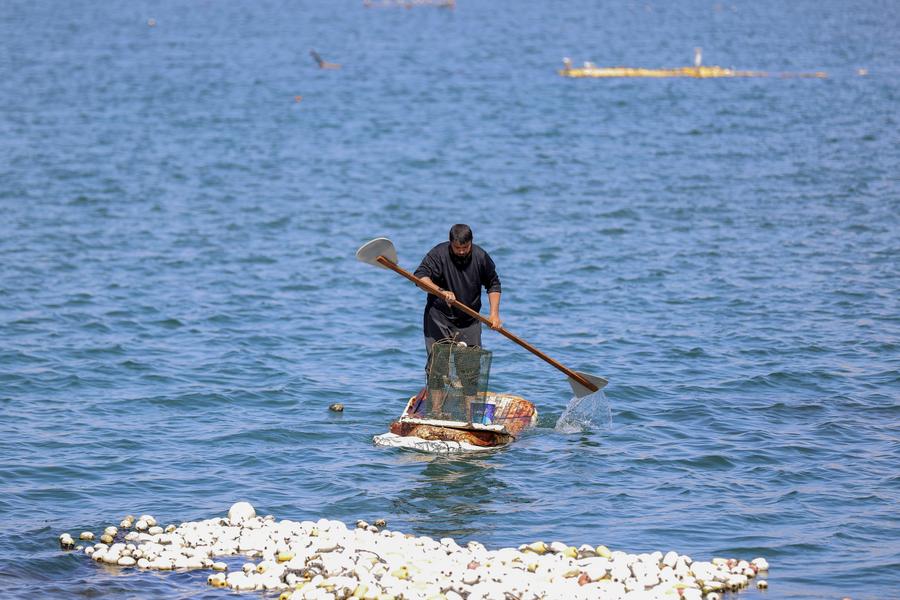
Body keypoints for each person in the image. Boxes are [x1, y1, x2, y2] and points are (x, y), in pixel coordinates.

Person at [414, 224, 501, 417]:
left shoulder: (481, 257)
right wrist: (441, 291)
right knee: (438, 365)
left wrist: (494, 314)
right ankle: (436, 412)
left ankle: (470, 415)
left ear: (471, 243)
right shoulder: (438, 253)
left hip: (470, 319)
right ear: (451, 243)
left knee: (470, 370)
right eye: (457, 248)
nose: (461, 252)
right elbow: (420, 278)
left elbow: (493, 284)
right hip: (439, 317)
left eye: (465, 248)